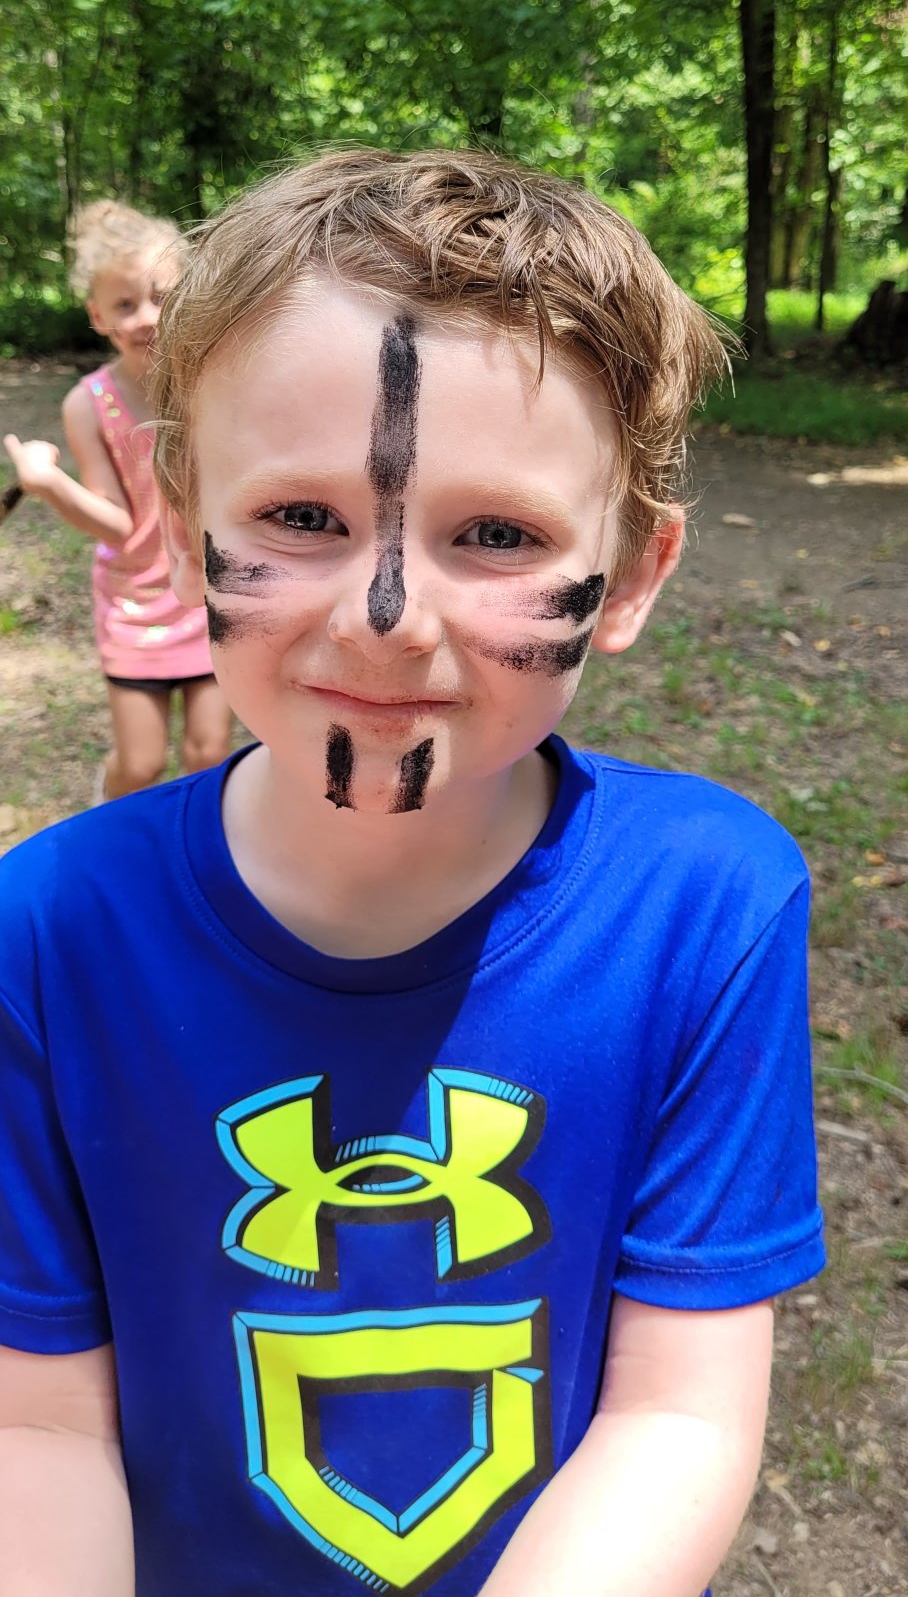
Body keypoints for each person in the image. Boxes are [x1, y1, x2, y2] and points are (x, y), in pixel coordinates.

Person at [0, 151, 825, 1597]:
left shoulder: (707, 907)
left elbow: (677, 1412)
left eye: (495, 534)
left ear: (631, 575)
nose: (386, 620)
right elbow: (35, 1424)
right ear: (182, 511)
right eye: (303, 520)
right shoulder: (47, 933)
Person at [2, 199, 233, 799]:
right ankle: (104, 820)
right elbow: (116, 526)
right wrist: (50, 485)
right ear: (97, 315)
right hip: (136, 606)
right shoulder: (88, 403)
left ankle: (182, 862)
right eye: (125, 305)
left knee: (209, 755)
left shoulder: (214, 383)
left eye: (160, 296)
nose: (147, 317)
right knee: (141, 765)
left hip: (208, 590)